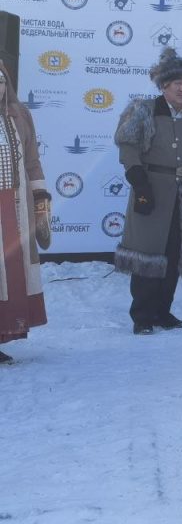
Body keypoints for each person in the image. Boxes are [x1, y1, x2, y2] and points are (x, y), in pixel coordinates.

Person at [114, 48, 182, 335]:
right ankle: (142, 317)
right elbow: (129, 149)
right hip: (151, 190)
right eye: (177, 83)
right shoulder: (143, 112)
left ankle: (163, 311)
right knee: (147, 255)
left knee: (174, 254)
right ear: (163, 86)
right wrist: (141, 186)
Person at [0, 61, 51, 365]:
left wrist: (40, 202)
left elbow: (32, 161)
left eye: (1, 80)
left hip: (13, 209)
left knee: (9, 276)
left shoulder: (19, 115)